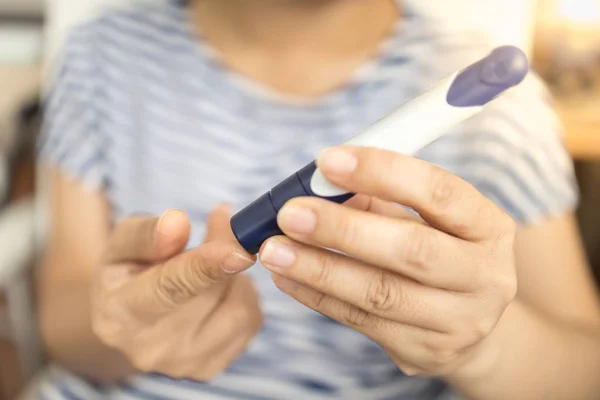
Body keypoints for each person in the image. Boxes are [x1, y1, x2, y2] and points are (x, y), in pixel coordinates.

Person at [36, 0, 600, 399]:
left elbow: (584, 374)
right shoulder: (101, 56)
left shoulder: (499, 106)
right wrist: (120, 325)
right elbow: (61, 325)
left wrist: (480, 347)